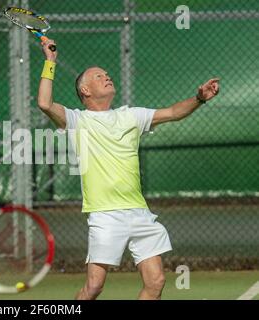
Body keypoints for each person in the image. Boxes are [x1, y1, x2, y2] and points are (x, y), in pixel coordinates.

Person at [37, 39, 219, 300]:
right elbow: (44, 103)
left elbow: (173, 112)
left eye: (108, 75)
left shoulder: (131, 116)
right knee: (94, 287)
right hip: (105, 215)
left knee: (155, 282)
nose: (107, 78)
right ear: (85, 90)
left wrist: (199, 98)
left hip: (139, 212)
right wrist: (50, 62)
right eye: (99, 76)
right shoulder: (78, 121)